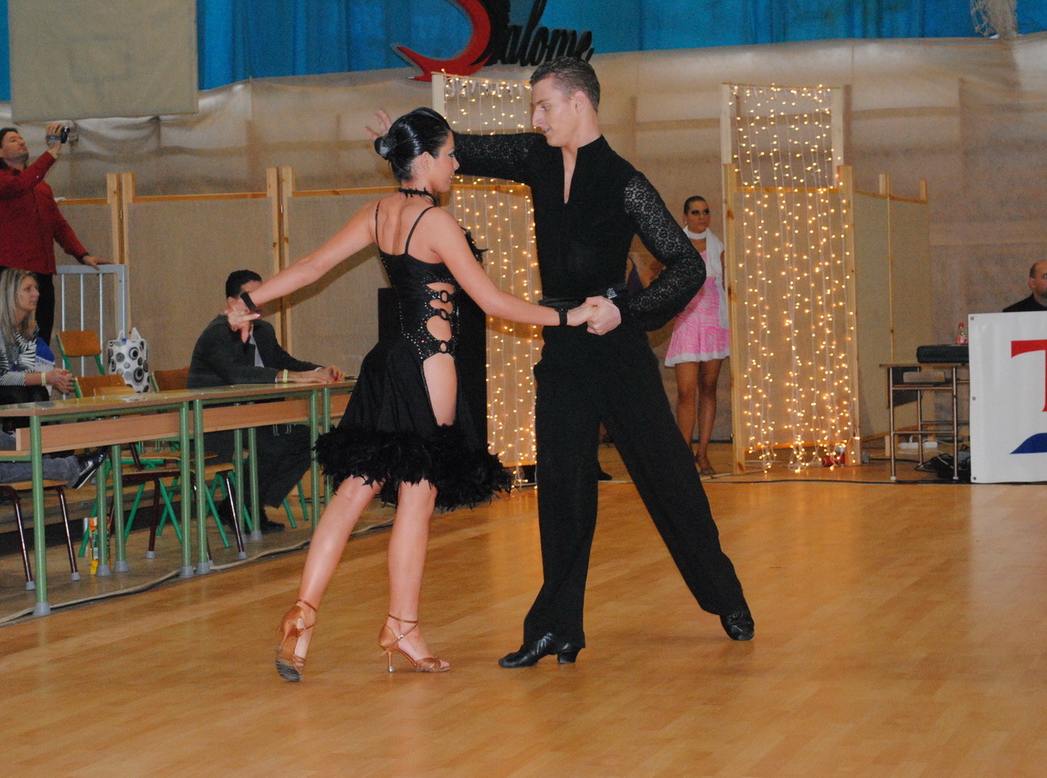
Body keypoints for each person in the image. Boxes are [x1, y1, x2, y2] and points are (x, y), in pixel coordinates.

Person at [225, 107, 594, 682]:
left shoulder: (377, 213)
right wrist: (570, 317)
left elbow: (313, 265)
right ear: (422, 159)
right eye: (449, 155)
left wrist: (250, 302)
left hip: (387, 362)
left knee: (354, 491)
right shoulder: (437, 223)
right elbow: (493, 303)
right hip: (429, 363)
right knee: (417, 497)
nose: (456, 164)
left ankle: (302, 614)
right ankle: (402, 627)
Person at [412, 56, 753, 668]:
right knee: (562, 487)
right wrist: (407, 135)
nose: (536, 119)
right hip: (564, 347)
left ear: (579, 104)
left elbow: (688, 266)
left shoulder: (624, 182)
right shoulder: (535, 158)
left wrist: (627, 311)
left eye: (544, 106)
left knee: (669, 480)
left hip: (618, 351)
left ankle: (724, 595)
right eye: (533, 109)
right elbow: (464, 147)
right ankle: (557, 628)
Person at [188, 269, 344, 531]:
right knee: (272, 444)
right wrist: (289, 377)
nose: (259, 301)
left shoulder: (263, 330)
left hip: (255, 417)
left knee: (308, 439)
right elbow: (237, 374)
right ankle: (242, 507)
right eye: (252, 295)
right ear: (232, 302)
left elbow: (284, 361)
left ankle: (243, 503)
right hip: (216, 420)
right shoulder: (217, 333)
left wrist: (319, 370)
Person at [0, 124, 112, 342]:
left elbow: (58, 225)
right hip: (11, 271)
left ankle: (40, 366)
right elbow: (20, 184)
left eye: (21, 138)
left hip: (41, 271)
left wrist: (82, 254)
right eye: (13, 140)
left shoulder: (41, 187)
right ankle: (13, 367)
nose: (21, 141)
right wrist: (52, 151)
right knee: (12, 338)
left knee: (42, 336)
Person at [665, 196, 730, 476]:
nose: (701, 217)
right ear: (685, 216)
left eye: (705, 211)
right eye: (695, 212)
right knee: (685, 391)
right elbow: (652, 276)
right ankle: (683, 455)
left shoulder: (720, 248)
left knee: (709, 388)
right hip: (688, 322)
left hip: (714, 323)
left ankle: (703, 454)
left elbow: (729, 284)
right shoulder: (675, 246)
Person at [0, 268, 75, 405]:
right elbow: (1, 377)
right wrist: (45, 377)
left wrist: (56, 377)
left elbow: (24, 368)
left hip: (3, 384)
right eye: (28, 289)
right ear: (11, 294)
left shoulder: (30, 327)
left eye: (36, 288)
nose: (36, 294)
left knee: (40, 391)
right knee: (17, 395)